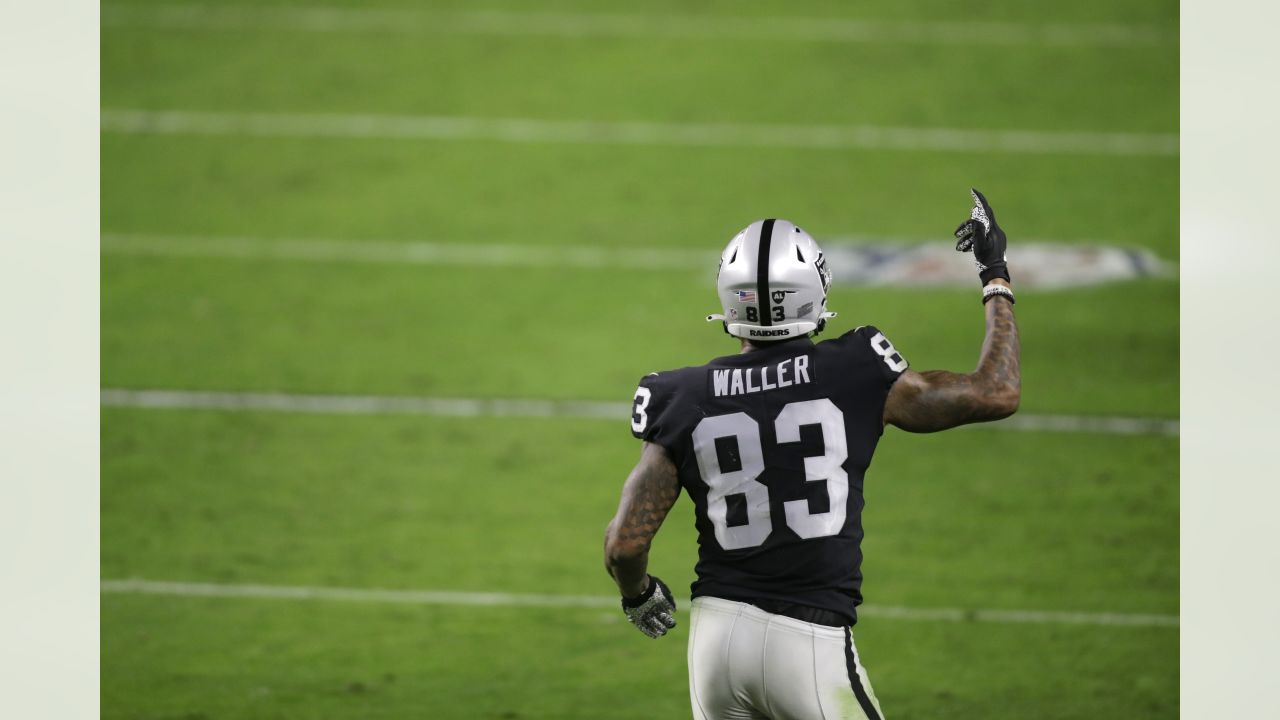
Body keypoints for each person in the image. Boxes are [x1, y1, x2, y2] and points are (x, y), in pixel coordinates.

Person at [603, 190, 1021, 720]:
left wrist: (638, 596)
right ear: (814, 292)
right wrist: (995, 276)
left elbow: (624, 544)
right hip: (809, 642)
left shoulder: (681, 397)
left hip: (714, 644)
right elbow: (998, 391)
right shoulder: (854, 370)